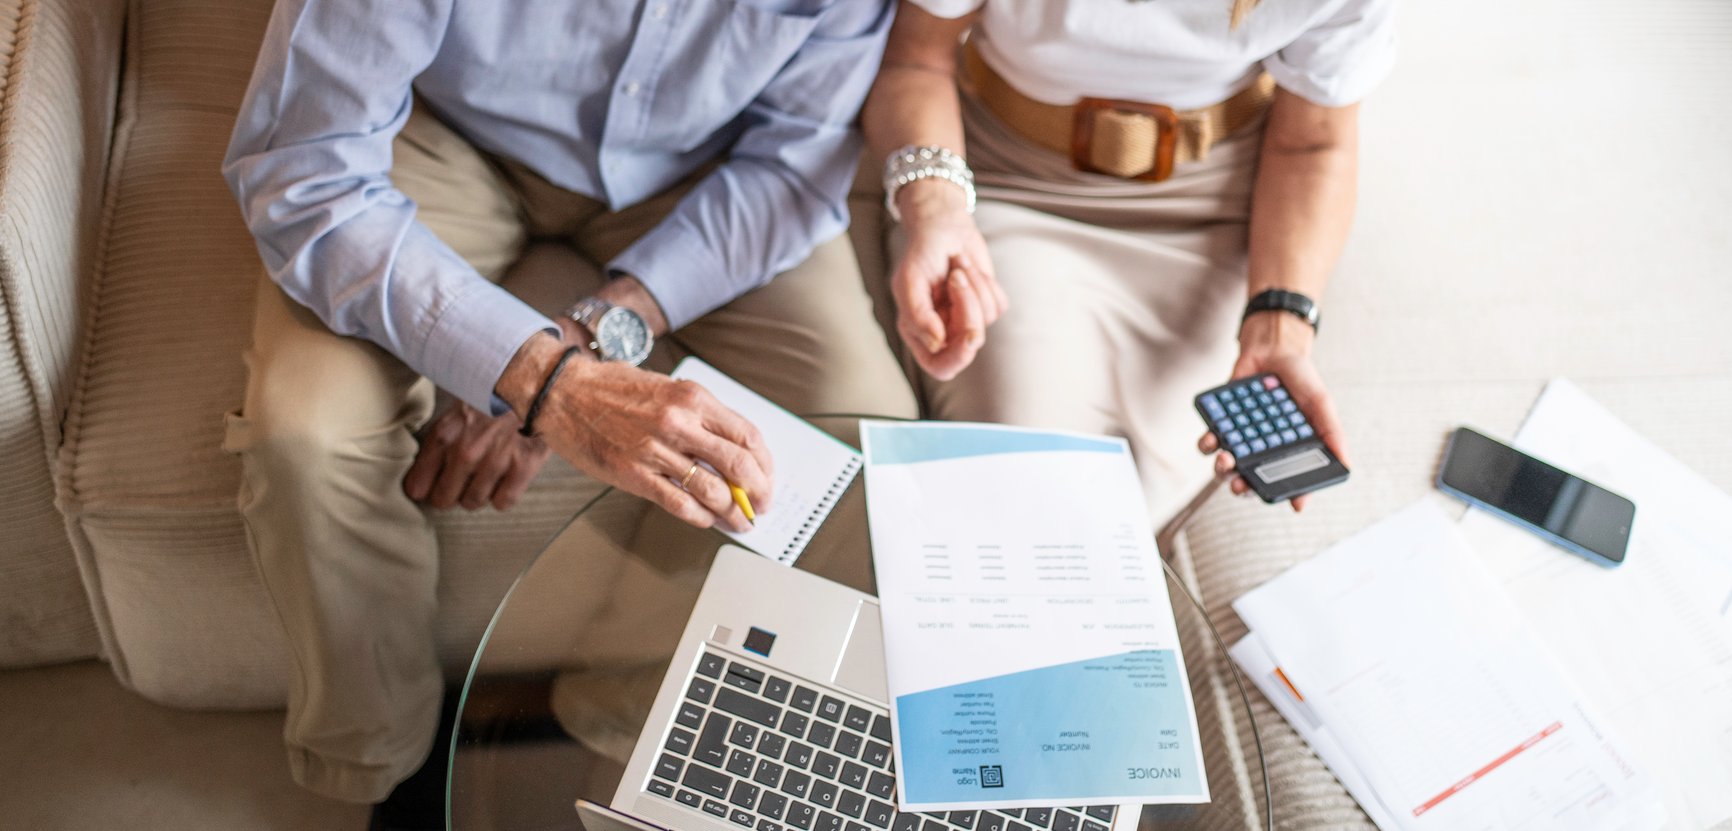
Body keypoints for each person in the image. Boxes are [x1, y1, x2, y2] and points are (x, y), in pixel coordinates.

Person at [221, 0, 915, 809]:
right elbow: (305, 170)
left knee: (865, 432)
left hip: (705, 169)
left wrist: (592, 336)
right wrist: (539, 378)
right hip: (442, 130)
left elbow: (795, 163)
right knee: (308, 436)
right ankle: (384, 765)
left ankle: (624, 726)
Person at [863, 0, 1393, 517]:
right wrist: (938, 209)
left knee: (1135, 485)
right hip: (1014, 179)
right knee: (1030, 473)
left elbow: (1314, 143)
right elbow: (915, 57)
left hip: (1215, 202)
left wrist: (1281, 327)